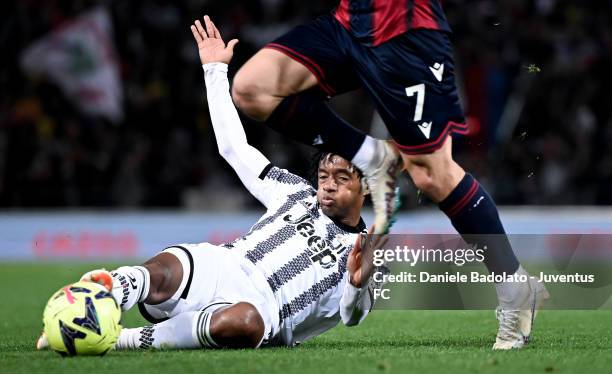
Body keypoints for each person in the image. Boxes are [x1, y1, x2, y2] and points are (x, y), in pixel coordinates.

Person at [37, 16, 387, 351]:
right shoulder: (294, 192)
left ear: (366, 186)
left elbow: (351, 317)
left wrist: (358, 284)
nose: (327, 186)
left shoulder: (367, 251)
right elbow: (234, 148)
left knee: (245, 322)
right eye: (324, 176)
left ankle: (120, 339)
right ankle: (89, 304)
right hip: (223, 266)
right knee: (162, 269)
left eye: (341, 179)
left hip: (264, 309)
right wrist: (215, 70)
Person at [230, 2, 548, 350]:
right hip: (351, 23)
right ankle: (371, 155)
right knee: (252, 89)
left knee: (432, 176)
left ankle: (513, 285)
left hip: (406, 31)